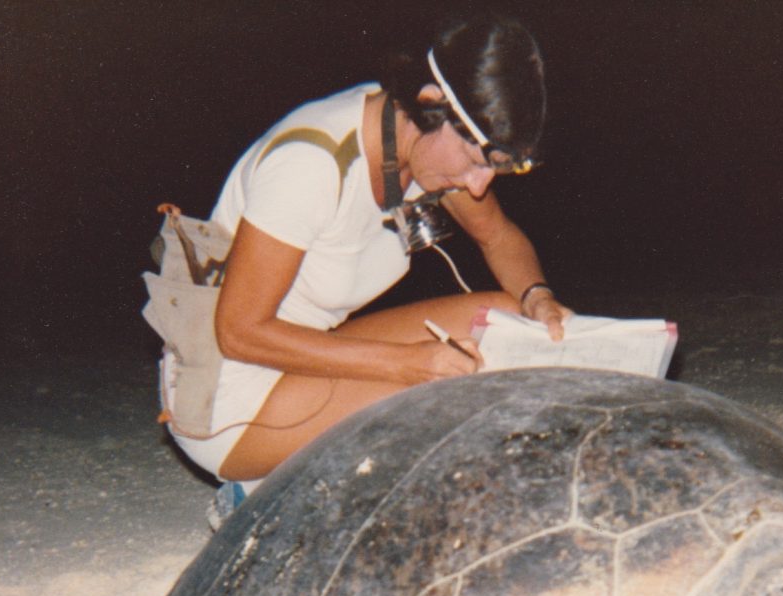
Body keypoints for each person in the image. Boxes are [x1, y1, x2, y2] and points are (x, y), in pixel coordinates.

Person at [157, 14, 570, 510]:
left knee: (511, 322)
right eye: (479, 160)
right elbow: (239, 333)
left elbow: (499, 235)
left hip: (307, 358)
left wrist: (538, 297)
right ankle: (264, 499)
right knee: (447, 400)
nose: (480, 185)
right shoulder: (312, 164)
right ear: (433, 104)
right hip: (229, 396)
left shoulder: (417, 141)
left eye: (498, 168)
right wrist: (407, 366)